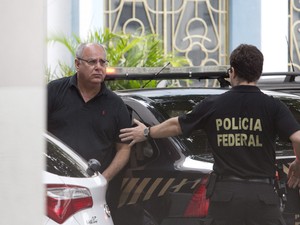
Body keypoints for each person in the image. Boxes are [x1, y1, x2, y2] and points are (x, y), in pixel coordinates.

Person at [119, 44, 300, 225]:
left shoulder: (214, 104)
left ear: (232, 72)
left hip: (226, 198)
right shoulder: (273, 106)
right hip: (264, 197)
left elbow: (177, 125)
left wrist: (146, 132)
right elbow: (298, 138)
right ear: (259, 73)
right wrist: (297, 162)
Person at [47, 42, 132, 222]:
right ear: (78, 64)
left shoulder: (116, 105)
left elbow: (124, 149)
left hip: (95, 192)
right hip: (56, 187)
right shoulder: (54, 92)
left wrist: (102, 180)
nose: (99, 67)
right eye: (92, 62)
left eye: (103, 62)